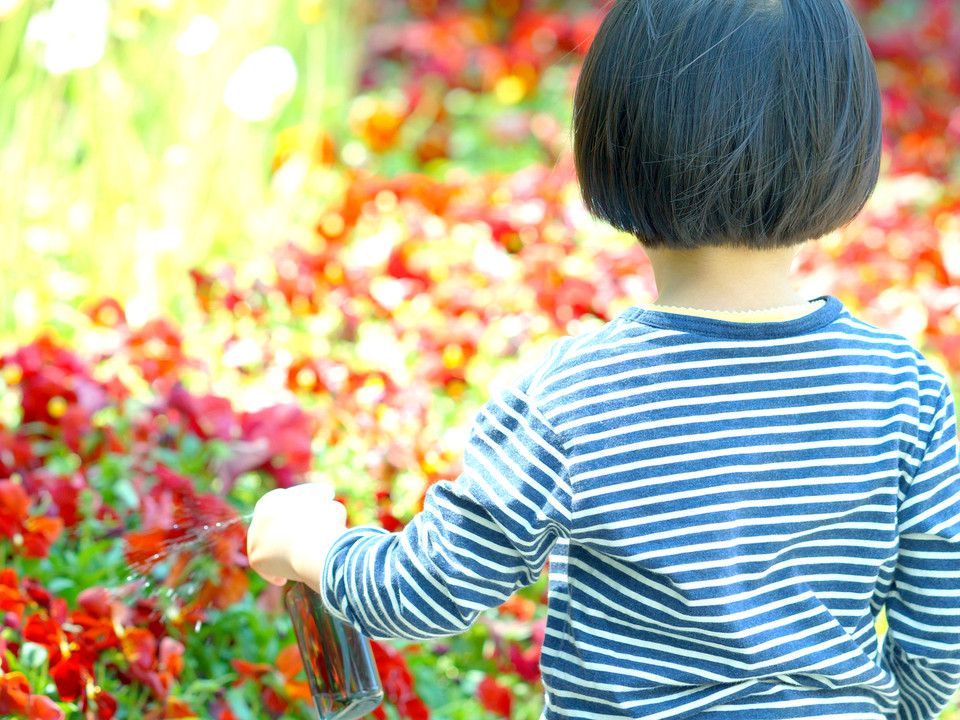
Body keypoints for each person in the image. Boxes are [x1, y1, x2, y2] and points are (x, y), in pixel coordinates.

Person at [247, 0, 960, 718]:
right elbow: (937, 644)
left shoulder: (576, 396)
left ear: (615, 142)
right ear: (845, 144)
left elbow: (425, 592)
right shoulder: (906, 393)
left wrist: (313, 550)